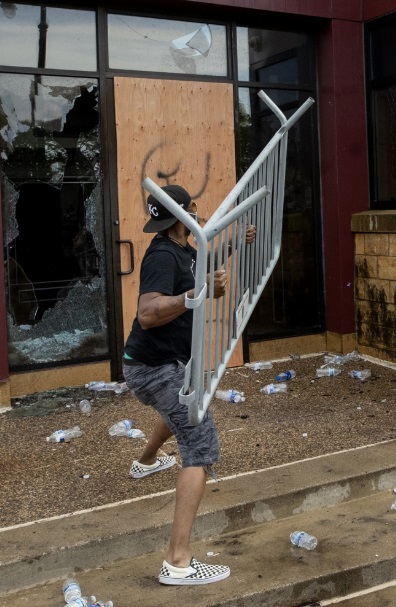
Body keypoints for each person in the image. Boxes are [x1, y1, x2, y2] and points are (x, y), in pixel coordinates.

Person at [122, 183, 255, 586]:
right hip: (153, 368)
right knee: (199, 444)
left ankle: (144, 461)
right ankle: (177, 561)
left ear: (190, 211)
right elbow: (147, 313)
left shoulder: (185, 248)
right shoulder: (163, 254)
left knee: (183, 406)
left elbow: (202, 262)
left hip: (156, 365)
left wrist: (234, 242)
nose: (166, 228)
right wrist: (194, 296)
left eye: (169, 220)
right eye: (161, 222)